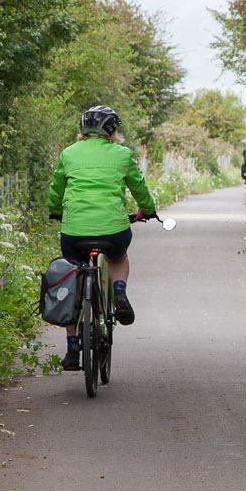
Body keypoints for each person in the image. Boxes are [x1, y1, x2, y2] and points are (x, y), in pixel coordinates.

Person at [47, 105, 157, 371]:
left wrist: (55, 211)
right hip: (113, 230)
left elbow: (57, 188)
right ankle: (119, 292)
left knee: (73, 277)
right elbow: (138, 187)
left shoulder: (68, 154)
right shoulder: (122, 154)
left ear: (83, 130)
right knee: (118, 256)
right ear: (112, 131)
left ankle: (73, 348)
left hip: (74, 232)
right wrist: (149, 211)